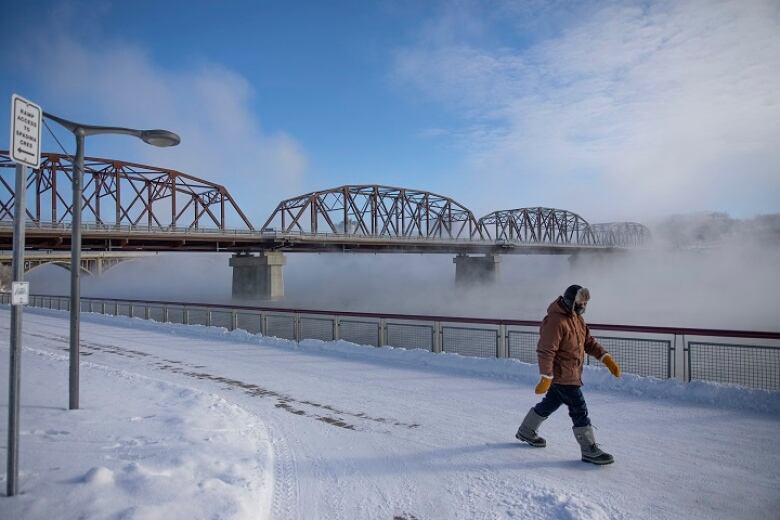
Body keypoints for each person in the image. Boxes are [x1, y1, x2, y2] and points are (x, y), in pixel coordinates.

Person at [514, 284, 621, 465]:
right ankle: (589, 449)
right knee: (579, 408)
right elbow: (546, 350)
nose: (584, 306)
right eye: (581, 302)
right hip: (563, 375)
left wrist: (605, 357)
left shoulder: (577, 319)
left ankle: (526, 430)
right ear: (572, 301)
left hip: (570, 372)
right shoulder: (556, 321)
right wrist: (546, 377)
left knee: (550, 403)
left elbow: (588, 342)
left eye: (586, 303)